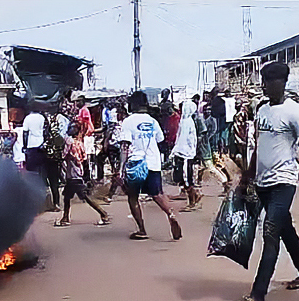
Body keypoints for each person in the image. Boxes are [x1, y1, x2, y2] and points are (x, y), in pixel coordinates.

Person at [233, 62, 299, 301]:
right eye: (264, 81)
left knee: (270, 232)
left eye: (270, 81)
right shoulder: (262, 110)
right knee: (284, 227)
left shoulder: (297, 113)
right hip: (263, 181)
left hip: (284, 181)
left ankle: (258, 295)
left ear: (283, 82)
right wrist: (247, 177)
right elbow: (259, 145)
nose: (266, 86)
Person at [119, 91, 182, 241]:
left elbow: (124, 146)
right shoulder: (153, 121)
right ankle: (171, 214)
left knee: (133, 197)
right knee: (157, 194)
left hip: (136, 163)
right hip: (153, 162)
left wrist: (121, 169)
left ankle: (142, 230)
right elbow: (160, 139)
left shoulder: (128, 121)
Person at [54, 123, 110, 227]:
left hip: (73, 175)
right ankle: (65, 217)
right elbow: (83, 158)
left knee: (84, 197)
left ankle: (103, 214)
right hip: (77, 173)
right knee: (67, 197)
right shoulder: (79, 143)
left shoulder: (70, 142)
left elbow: (65, 155)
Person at [171, 95, 202, 212]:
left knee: (186, 178)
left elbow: (182, 139)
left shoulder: (187, 122)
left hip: (185, 153)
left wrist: (175, 150)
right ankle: (193, 197)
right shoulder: (186, 121)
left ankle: (193, 200)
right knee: (184, 177)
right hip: (185, 152)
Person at [22, 104, 46, 174]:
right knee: (40, 166)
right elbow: (45, 130)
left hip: (31, 144)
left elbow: (25, 133)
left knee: (31, 168)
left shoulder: (28, 118)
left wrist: (25, 146)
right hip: (41, 143)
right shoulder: (42, 117)